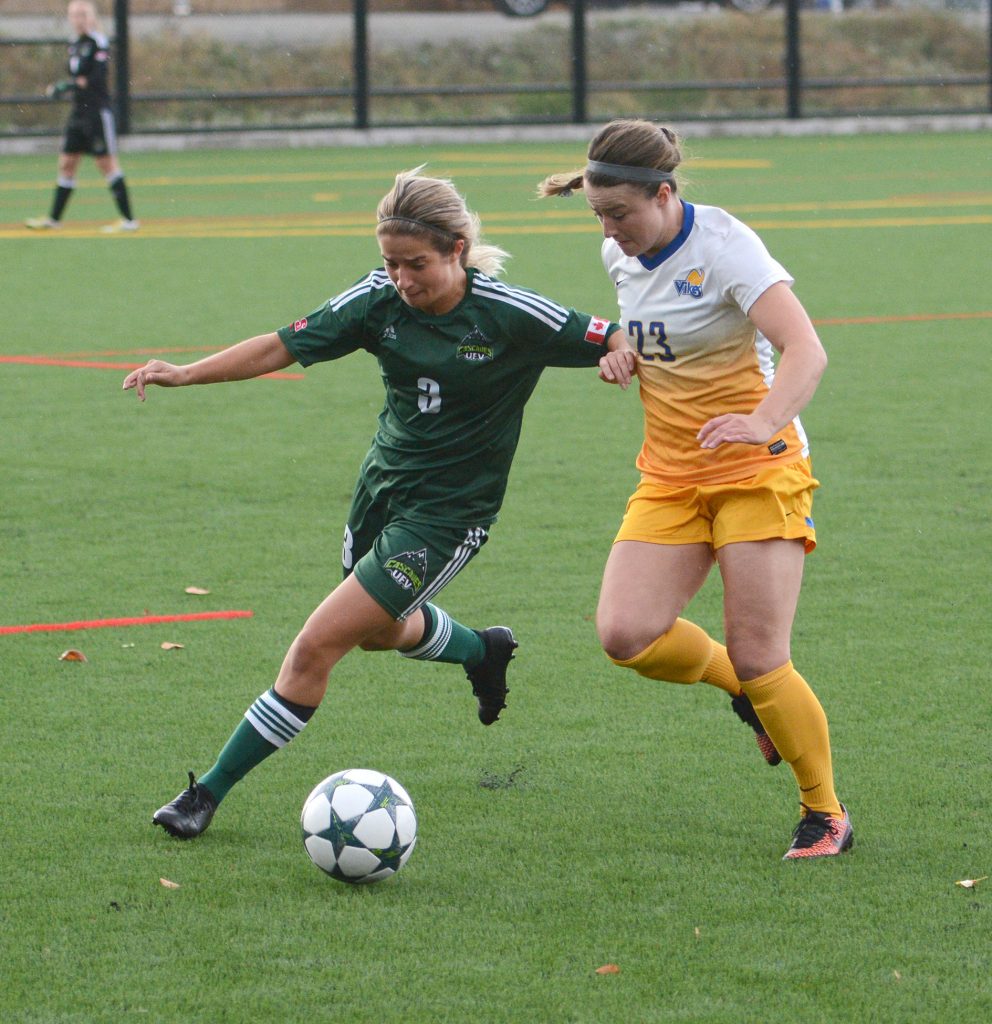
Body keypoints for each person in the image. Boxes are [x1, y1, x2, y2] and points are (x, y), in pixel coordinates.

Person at [123, 167, 634, 840]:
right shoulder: (377, 300)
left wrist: (621, 355)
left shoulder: (512, 315)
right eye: (390, 263)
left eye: (415, 264)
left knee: (315, 647)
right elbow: (283, 344)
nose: (401, 279)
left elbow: (619, 333)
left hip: (449, 518)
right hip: (382, 491)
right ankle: (483, 650)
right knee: (378, 633)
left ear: (457, 248)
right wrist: (187, 372)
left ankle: (205, 795)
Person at [539, 119, 852, 860]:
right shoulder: (622, 251)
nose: (612, 232)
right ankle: (743, 696)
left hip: (758, 469)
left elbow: (808, 350)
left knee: (760, 648)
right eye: (599, 217)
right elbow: (644, 330)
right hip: (671, 473)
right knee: (624, 635)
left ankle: (826, 813)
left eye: (622, 214)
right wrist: (620, 351)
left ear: (666, 194)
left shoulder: (725, 247)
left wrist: (763, 420)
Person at [25, 0, 138, 233]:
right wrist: (70, 86)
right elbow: (79, 79)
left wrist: (66, 85)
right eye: (74, 14)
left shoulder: (99, 42)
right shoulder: (74, 44)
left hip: (96, 112)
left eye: (82, 14)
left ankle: (129, 220)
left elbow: (94, 79)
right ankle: (54, 219)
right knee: (66, 163)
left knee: (106, 164)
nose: (78, 19)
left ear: (91, 17)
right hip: (78, 112)